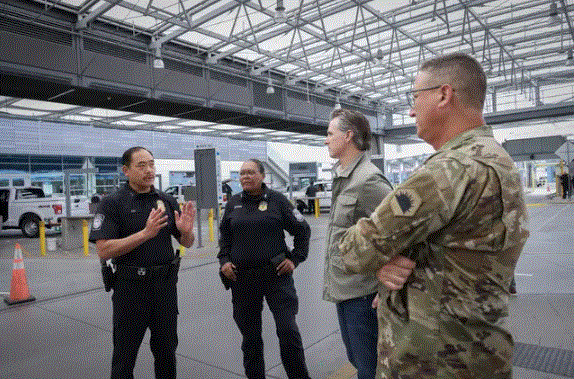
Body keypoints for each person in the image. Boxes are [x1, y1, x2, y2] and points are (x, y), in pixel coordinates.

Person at [338, 53, 530, 379]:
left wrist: (381, 254)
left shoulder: (448, 170)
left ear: (443, 94)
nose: (411, 110)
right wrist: (394, 259)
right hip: (481, 353)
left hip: (434, 360)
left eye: (415, 97)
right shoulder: (498, 160)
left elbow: (355, 249)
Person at [90, 146, 195, 379]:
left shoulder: (166, 201)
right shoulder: (112, 203)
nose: (149, 170)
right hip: (130, 290)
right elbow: (103, 250)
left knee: (167, 354)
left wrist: (186, 232)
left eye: (151, 164)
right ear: (126, 171)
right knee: (124, 358)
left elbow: (186, 243)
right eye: (141, 165)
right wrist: (144, 234)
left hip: (164, 289)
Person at [323, 108, 402, 379]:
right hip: (345, 290)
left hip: (364, 294)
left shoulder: (368, 179)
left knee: (369, 368)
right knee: (357, 360)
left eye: (330, 134)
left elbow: (401, 230)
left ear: (348, 136)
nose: (326, 140)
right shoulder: (344, 177)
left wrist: (385, 286)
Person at [218, 159, 311, 379]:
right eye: (242, 174)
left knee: (288, 330)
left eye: (251, 172)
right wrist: (224, 262)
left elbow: (303, 230)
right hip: (243, 280)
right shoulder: (233, 204)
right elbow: (225, 239)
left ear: (262, 176)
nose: (245, 177)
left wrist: (295, 259)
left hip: (277, 277)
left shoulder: (278, 201)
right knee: (250, 338)